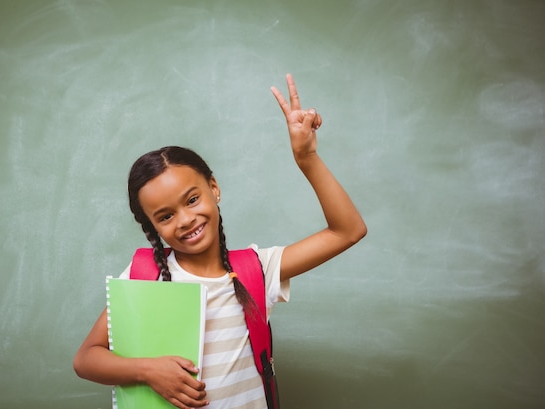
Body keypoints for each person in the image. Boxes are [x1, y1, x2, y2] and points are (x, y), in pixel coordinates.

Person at [73, 73, 367, 409]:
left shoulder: (259, 269)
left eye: (192, 199)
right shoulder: (144, 276)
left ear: (214, 188)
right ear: (151, 226)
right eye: (165, 216)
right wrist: (148, 371)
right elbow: (86, 359)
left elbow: (348, 231)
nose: (185, 220)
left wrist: (307, 158)